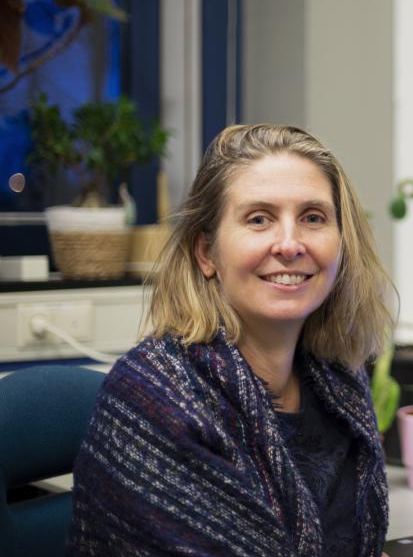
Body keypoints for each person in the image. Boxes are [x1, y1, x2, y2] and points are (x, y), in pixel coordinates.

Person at [68, 124, 394, 556]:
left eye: (313, 218)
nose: (290, 243)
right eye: (259, 219)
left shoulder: (340, 381)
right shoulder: (156, 396)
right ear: (207, 253)